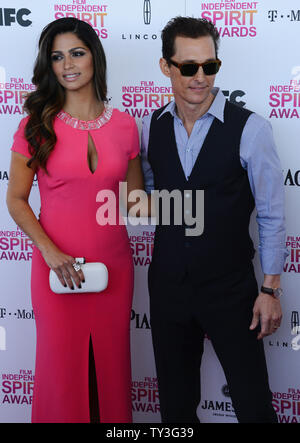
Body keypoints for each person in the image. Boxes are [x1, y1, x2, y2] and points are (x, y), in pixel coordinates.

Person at [140, 16, 288, 423]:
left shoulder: (251, 129)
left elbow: (273, 215)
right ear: (166, 67)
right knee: (175, 406)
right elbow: (154, 197)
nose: (200, 77)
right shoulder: (149, 127)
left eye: (210, 65)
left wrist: (270, 289)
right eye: (188, 67)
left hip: (231, 290)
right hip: (168, 288)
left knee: (253, 404)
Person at [6, 17, 144, 423]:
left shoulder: (125, 126)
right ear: (49, 66)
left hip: (114, 270)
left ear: (94, 58)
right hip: (55, 272)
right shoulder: (36, 125)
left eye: (77, 53)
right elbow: (16, 200)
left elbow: (135, 203)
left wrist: (200, 201)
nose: (68, 64)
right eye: (57, 57)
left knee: (111, 372)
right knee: (62, 373)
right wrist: (51, 253)